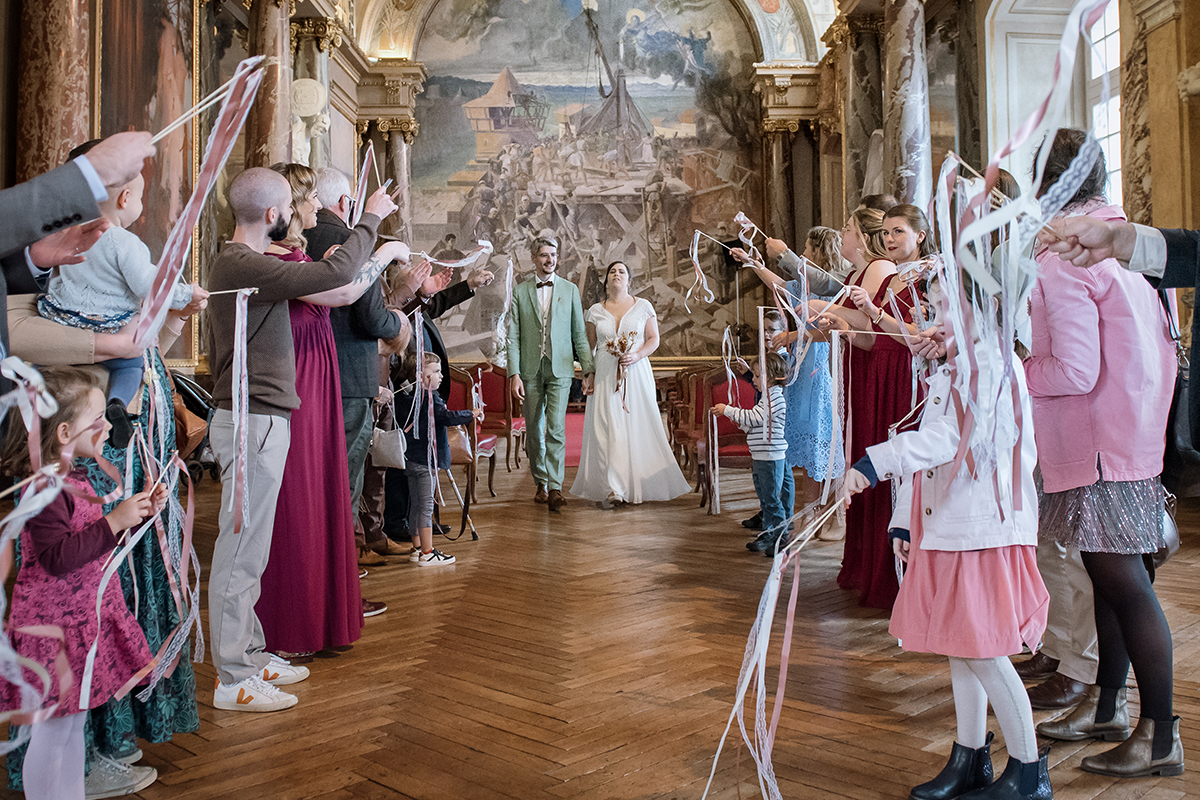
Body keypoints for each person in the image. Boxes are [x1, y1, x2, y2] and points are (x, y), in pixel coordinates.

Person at [841, 273, 1052, 800]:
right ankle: (970, 757)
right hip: (953, 525)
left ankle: (1029, 773)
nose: (932, 323)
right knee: (961, 646)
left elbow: (949, 439)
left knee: (982, 651)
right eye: (932, 310)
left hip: (983, 528)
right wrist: (907, 518)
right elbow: (933, 456)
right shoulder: (959, 365)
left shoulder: (991, 365)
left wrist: (873, 464)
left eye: (943, 310)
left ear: (981, 310)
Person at [206, 167, 400, 712]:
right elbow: (337, 273)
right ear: (272, 215)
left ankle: (251, 652)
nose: (295, 213)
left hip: (260, 416)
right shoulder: (244, 263)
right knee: (241, 553)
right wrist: (372, 222)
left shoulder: (248, 262)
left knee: (253, 551)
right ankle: (233, 677)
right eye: (290, 206)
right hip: (252, 418)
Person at [1025, 129, 1182, 778]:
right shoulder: (1132, 240)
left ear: (1046, 184)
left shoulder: (1066, 254)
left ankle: (1160, 735)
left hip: (1094, 441)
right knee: (1110, 579)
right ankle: (1109, 706)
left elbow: (1074, 369)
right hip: (1134, 432)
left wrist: (1013, 367)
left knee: (1124, 584)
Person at [0, 367, 162, 799]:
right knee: (53, 734)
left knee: (72, 727)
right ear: (65, 432)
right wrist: (114, 520)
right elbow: (57, 558)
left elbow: (90, 543)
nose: (109, 425)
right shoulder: (45, 488)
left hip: (80, 623)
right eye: (98, 419)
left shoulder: (75, 478)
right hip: (54, 630)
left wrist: (135, 514)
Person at [37, 139, 208, 408]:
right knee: (129, 367)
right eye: (141, 198)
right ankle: (118, 404)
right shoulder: (123, 241)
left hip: (66, 322)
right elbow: (148, 284)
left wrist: (180, 313)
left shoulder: (65, 236)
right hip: (109, 339)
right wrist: (185, 293)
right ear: (124, 199)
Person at [304, 167, 412, 568]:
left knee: (314, 474)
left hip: (308, 373)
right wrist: (397, 325)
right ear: (345, 203)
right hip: (350, 376)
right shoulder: (353, 242)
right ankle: (344, 572)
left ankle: (318, 563)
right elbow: (369, 315)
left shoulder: (297, 240)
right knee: (345, 476)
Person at [812, 208, 911, 610]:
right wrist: (842, 327)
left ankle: (892, 573)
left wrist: (843, 314)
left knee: (891, 468)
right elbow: (869, 336)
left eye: (898, 231)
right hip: (876, 368)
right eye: (885, 232)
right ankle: (869, 565)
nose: (889, 239)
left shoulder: (896, 272)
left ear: (920, 235)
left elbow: (903, 334)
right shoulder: (888, 277)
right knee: (867, 461)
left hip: (898, 375)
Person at [1038, 214, 1200, 443]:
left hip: (1102, 443)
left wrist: (1021, 371)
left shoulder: (1058, 265)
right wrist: (1117, 240)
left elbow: (1078, 373)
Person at [570, 260, 689, 506]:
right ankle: (612, 488)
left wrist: (636, 355)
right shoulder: (595, 310)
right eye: (612, 272)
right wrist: (587, 374)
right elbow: (589, 347)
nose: (617, 274)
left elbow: (653, 339)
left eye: (622, 271)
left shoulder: (643, 306)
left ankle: (636, 482)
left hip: (635, 372)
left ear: (629, 280)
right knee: (606, 427)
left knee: (634, 425)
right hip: (605, 372)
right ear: (606, 281)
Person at [507, 236, 594, 513]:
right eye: (544, 255)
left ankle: (555, 487)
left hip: (561, 369)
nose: (550, 260)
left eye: (553, 254)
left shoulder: (569, 290)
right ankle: (541, 482)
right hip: (530, 370)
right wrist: (514, 373)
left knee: (556, 428)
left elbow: (579, 333)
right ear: (534, 258)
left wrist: (588, 369)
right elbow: (513, 336)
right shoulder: (520, 291)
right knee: (534, 430)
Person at [396, 352, 482, 565]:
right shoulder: (431, 398)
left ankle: (417, 547)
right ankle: (427, 552)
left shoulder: (408, 397)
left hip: (411, 458)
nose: (441, 376)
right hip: (426, 460)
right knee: (425, 506)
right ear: (420, 375)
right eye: (436, 371)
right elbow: (446, 417)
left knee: (415, 504)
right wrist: (471, 414)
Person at [713, 352, 790, 552]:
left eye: (757, 375)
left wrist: (728, 410)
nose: (753, 380)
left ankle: (781, 537)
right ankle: (769, 533)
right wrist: (741, 423)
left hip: (770, 458)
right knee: (766, 499)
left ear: (770, 376)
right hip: (761, 456)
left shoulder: (774, 398)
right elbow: (759, 424)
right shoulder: (767, 397)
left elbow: (756, 417)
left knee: (772, 501)